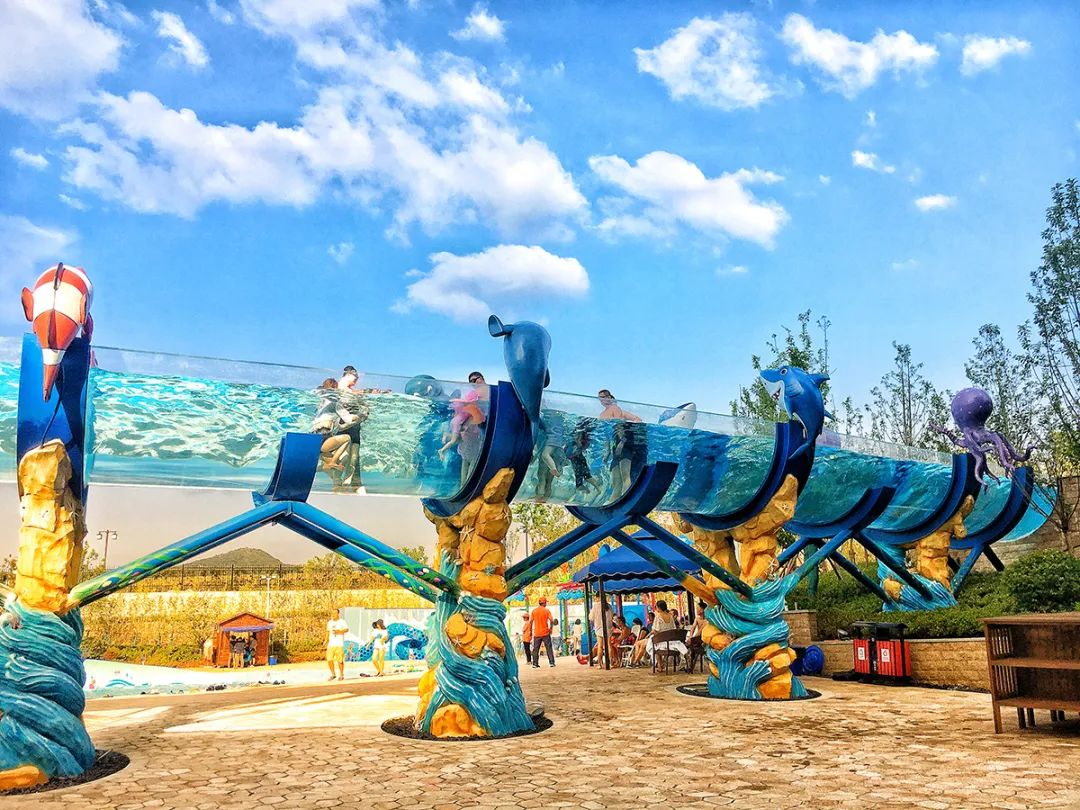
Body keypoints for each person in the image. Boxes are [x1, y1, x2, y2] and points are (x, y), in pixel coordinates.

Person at [597, 390, 645, 496]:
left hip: (622, 441)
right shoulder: (602, 414)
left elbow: (619, 426)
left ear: (609, 397)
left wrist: (622, 442)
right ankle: (615, 499)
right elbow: (606, 434)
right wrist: (607, 451)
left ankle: (626, 497)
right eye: (600, 397)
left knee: (625, 475)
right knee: (616, 480)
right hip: (615, 444)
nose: (602, 400)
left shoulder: (615, 409)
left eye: (604, 397)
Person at [313, 378, 353, 490]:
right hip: (324, 437)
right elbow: (349, 419)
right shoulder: (335, 403)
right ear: (335, 389)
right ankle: (333, 463)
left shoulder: (321, 402)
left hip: (314, 438)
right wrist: (361, 415)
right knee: (347, 438)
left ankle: (336, 484)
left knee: (334, 463)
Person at [439, 389, 485, 486]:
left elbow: (463, 434)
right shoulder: (467, 418)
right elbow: (461, 434)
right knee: (465, 481)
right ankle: (444, 444)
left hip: (472, 452)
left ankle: (445, 439)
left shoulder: (471, 418)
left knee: (467, 481)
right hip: (468, 451)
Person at [567, 421, 600, 496]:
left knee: (585, 479)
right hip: (578, 460)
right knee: (586, 477)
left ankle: (594, 490)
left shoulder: (576, 442)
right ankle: (594, 490)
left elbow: (577, 444)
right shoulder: (575, 442)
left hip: (578, 460)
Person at [530, 597, 555, 668]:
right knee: (549, 648)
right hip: (545, 633)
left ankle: (535, 663)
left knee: (535, 649)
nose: (546, 604)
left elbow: (531, 621)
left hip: (537, 633)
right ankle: (551, 662)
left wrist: (530, 631)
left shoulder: (534, 611)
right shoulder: (546, 611)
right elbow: (552, 620)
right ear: (543, 603)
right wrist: (551, 629)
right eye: (546, 602)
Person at [326, 608, 348, 681]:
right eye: (332, 613)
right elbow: (327, 631)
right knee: (329, 659)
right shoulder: (329, 622)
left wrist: (339, 631)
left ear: (338, 614)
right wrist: (326, 640)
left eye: (335, 613)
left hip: (339, 644)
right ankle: (333, 674)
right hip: (331, 644)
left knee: (340, 661)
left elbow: (346, 629)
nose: (333, 615)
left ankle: (341, 674)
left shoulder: (342, 622)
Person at [685, 601, 707, 672]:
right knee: (687, 645)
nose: (696, 610)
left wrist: (692, 639)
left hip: (704, 639)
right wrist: (690, 636)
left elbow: (700, 631)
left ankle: (690, 665)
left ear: (702, 610)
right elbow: (693, 628)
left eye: (698, 608)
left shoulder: (707, 620)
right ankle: (688, 664)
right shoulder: (697, 618)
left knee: (691, 644)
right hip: (697, 639)